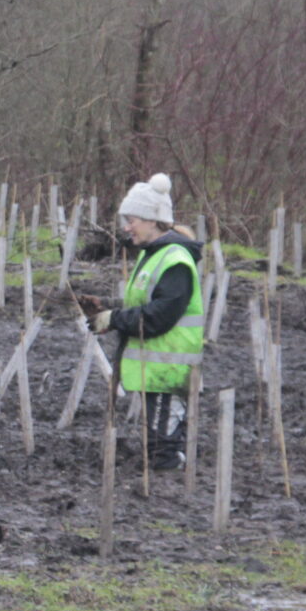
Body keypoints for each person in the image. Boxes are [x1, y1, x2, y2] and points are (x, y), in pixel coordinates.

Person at [81, 172, 203, 473]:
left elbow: (160, 316)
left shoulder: (174, 260)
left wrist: (116, 318)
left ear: (152, 219)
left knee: (163, 451)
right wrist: (110, 316)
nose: (126, 227)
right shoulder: (154, 256)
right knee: (158, 444)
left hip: (168, 368)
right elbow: (144, 307)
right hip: (157, 366)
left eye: (132, 219)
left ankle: (171, 500)